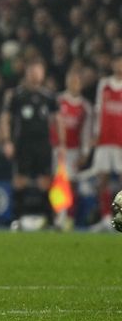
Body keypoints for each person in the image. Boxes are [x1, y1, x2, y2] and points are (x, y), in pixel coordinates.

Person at [0, 59, 63, 231]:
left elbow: (58, 121)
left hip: (43, 145)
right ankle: (17, 220)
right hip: (23, 144)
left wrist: (61, 144)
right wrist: (7, 141)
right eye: (32, 71)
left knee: (45, 181)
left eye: (38, 71)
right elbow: (6, 119)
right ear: (27, 73)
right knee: (20, 180)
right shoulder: (17, 96)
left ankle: (49, 220)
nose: (35, 74)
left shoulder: (49, 97)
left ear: (42, 74)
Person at [50, 68, 91, 229]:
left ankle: (69, 218)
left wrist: (85, 152)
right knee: (58, 183)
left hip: (74, 151)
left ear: (80, 85)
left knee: (72, 185)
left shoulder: (85, 106)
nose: (73, 84)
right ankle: (58, 217)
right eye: (70, 80)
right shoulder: (58, 101)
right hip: (59, 150)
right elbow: (51, 123)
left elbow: (86, 132)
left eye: (76, 81)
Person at [92, 55, 122, 231]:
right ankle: (104, 218)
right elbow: (98, 109)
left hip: (121, 141)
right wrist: (96, 133)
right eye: (117, 62)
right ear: (112, 64)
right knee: (102, 178)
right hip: (105, 140)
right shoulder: (104, 84)